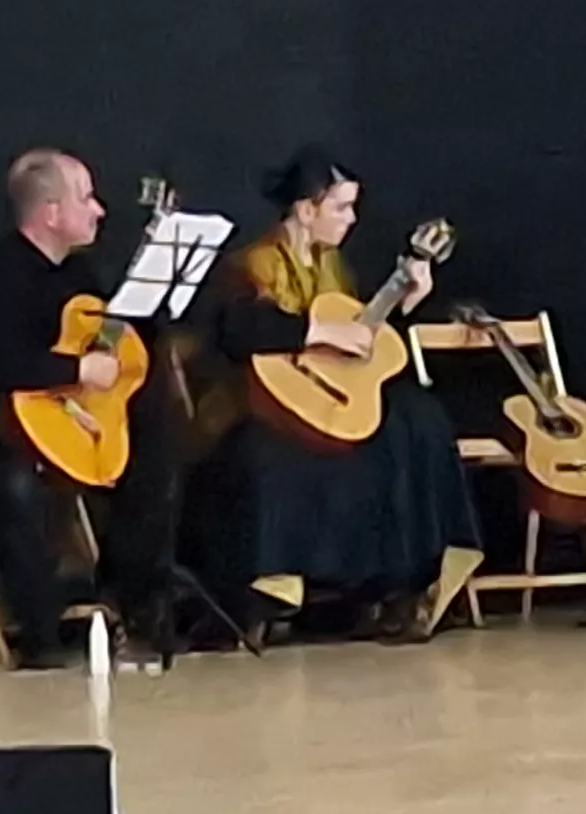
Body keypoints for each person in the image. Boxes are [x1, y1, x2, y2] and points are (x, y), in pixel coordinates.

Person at [187, 149, 483, 645]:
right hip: (259, 409)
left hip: (330, 405)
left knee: (416, 419)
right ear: (306, 210)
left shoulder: (334, 266)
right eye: (341, 208)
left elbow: (356, 339)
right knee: (266, 458)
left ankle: (411, 581)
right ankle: (266, 593)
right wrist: (316, 330)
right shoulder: (252, 263)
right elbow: (241, 329)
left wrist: (402, 301)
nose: (352, 219)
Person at [0, 149, 181, 664]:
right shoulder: (2, 272)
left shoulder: (80, 273)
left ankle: (126, 598)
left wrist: (148, 303)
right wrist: (73, 372)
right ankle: (39, 628)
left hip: (69, 426)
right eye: (86, 198)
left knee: (155, 452)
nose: (99, 210)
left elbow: (104, 336)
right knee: (14, 485)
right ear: (50, 212)